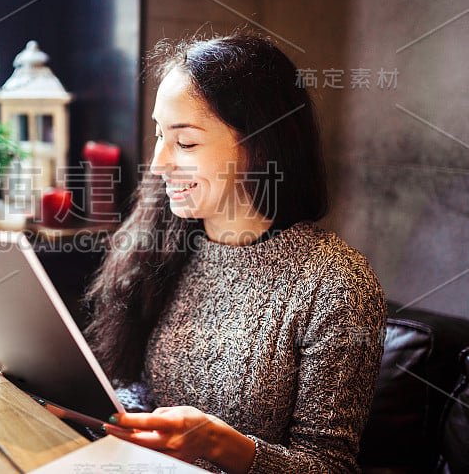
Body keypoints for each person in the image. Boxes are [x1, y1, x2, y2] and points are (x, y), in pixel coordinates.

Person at [82, 32, 387, 473]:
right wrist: (68, 394)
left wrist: (219, 444)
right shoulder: (165, 243)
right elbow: (140, 391)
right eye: (159, 136)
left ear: (261, 145)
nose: (159, 163)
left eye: (185, 142)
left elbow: (330, 467)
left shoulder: (337, 283)